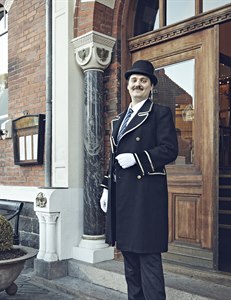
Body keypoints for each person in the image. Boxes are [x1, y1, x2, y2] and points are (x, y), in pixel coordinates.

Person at [99, 60, 178, 300]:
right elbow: (113, 157)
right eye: (134, 80)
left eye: (143, 80)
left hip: (146, 197)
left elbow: (169, 150)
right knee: (130, 259)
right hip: (122, 196)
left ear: (151, 86)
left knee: (148, 257)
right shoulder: (119, 119)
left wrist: (138, 158)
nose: (138, 84)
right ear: (128, 85)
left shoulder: (159, 113)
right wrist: (105, 188)